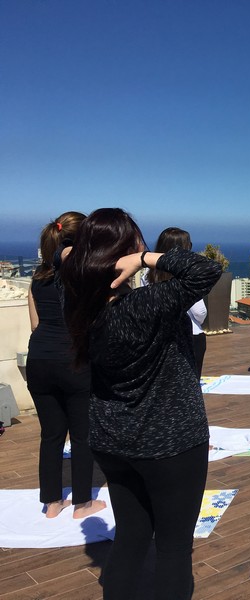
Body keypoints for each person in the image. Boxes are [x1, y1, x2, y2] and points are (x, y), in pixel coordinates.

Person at [60, 208, 221, 600]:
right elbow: (205, 271)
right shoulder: (146, 305)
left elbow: (61, 259)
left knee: (131, 537)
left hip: (113, 440)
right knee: (173, 547)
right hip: (171, 443)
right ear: (123, 250)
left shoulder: (81, 305)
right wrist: (147, 259)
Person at [26, 211, 107, 519]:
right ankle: (83, 503)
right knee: (82, 435)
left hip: (39, 360)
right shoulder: (84, 274)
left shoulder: (38, 276)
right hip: (73, 361)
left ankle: (51, 502)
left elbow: (35, 325)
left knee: (51, 435)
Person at [146, 227, 208, 380]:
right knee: (192, 381)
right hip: (191, 334)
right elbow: (199, 311)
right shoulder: (187, 278)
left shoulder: (148, 276)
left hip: (158, 336)